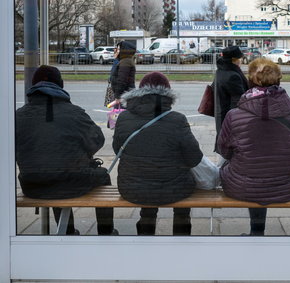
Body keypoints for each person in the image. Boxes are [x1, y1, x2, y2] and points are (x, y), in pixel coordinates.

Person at [16, 65, 116, 235]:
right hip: (73, 182)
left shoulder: (19, 115)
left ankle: (67, 232)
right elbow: (97, 140)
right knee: (102, 176)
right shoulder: (75, 113)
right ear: (61, 85)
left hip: (32, 184)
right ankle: (106, 232)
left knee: (56, 173)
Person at [217, 58, 290, 236]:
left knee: (247, 171)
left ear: (250, 81)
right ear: (278, 80)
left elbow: (224, 151)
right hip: (287, 186)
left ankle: (256, 231)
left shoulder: (234, 115)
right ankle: (257, 231)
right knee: (259, 172)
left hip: (242, 186)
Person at [112, 72, 203, 236]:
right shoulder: (177, 120)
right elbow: (194, 158)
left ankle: (146, 237)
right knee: (182, 206)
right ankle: (181, 239)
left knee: (147, 197)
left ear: (140, 92)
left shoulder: (123, 117)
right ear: (168, 94)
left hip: (132, 189)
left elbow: (118, 150)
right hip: (175, 188)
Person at [214, 46, 249, 147]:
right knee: (230, 149)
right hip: (231, 119)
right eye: (240, 58)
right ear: (234, 60)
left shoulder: (221, 70)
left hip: (222, 114)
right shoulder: (233, 76)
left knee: (225, 147)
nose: (241, 60)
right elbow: (239, 101)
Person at [110, 41, 136, 106]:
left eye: (119, 49)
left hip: (124, 94)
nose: (117, 51)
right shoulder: (124, 60)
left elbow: (122, 80)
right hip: (124, 93)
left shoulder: (125, 61)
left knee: (120, 114)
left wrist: (118, 96)